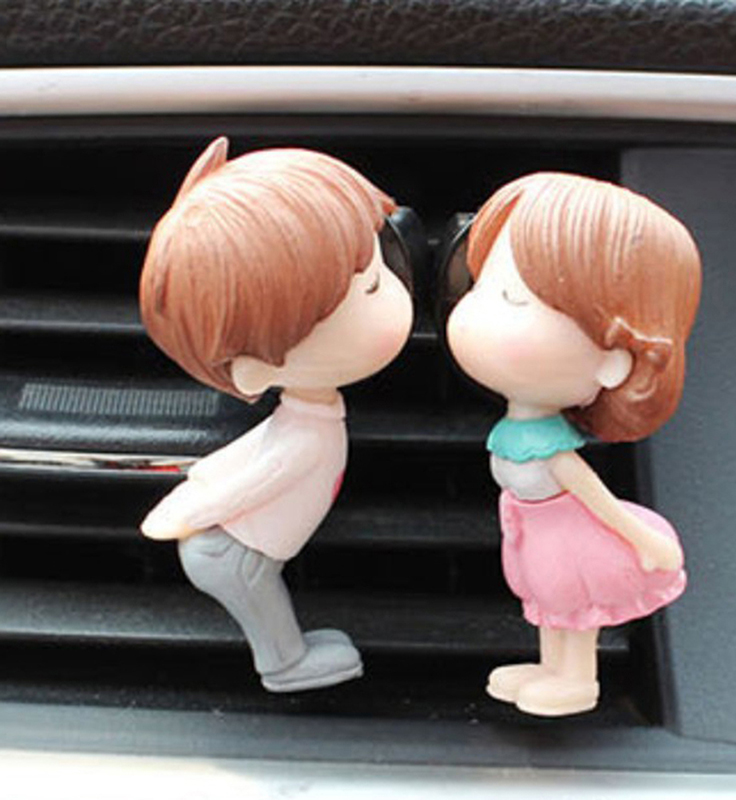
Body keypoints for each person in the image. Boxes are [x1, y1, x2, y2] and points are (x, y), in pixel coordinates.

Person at [139, 137, 413, 691]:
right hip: (231, 552)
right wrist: (192, 508)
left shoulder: (302, 418)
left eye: (376, 272)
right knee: (262, 599)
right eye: (370, 288)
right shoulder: (306, 438)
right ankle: (285, 664)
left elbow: (255, 448)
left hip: (234, 543)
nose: (395, 292)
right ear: (251, 374)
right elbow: (262, 476)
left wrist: (202, 476)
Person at [446, 172, 702, 716]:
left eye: (512, 298)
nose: (474, 313)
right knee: (549, 605)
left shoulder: (555, 452)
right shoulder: (519, 433)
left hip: (569, 540)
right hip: (534, 535)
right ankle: (550, 668)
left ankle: (577, 679)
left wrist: (643, 540)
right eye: (480, 287)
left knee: (572, 608)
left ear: (615, 362)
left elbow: (596, 498)